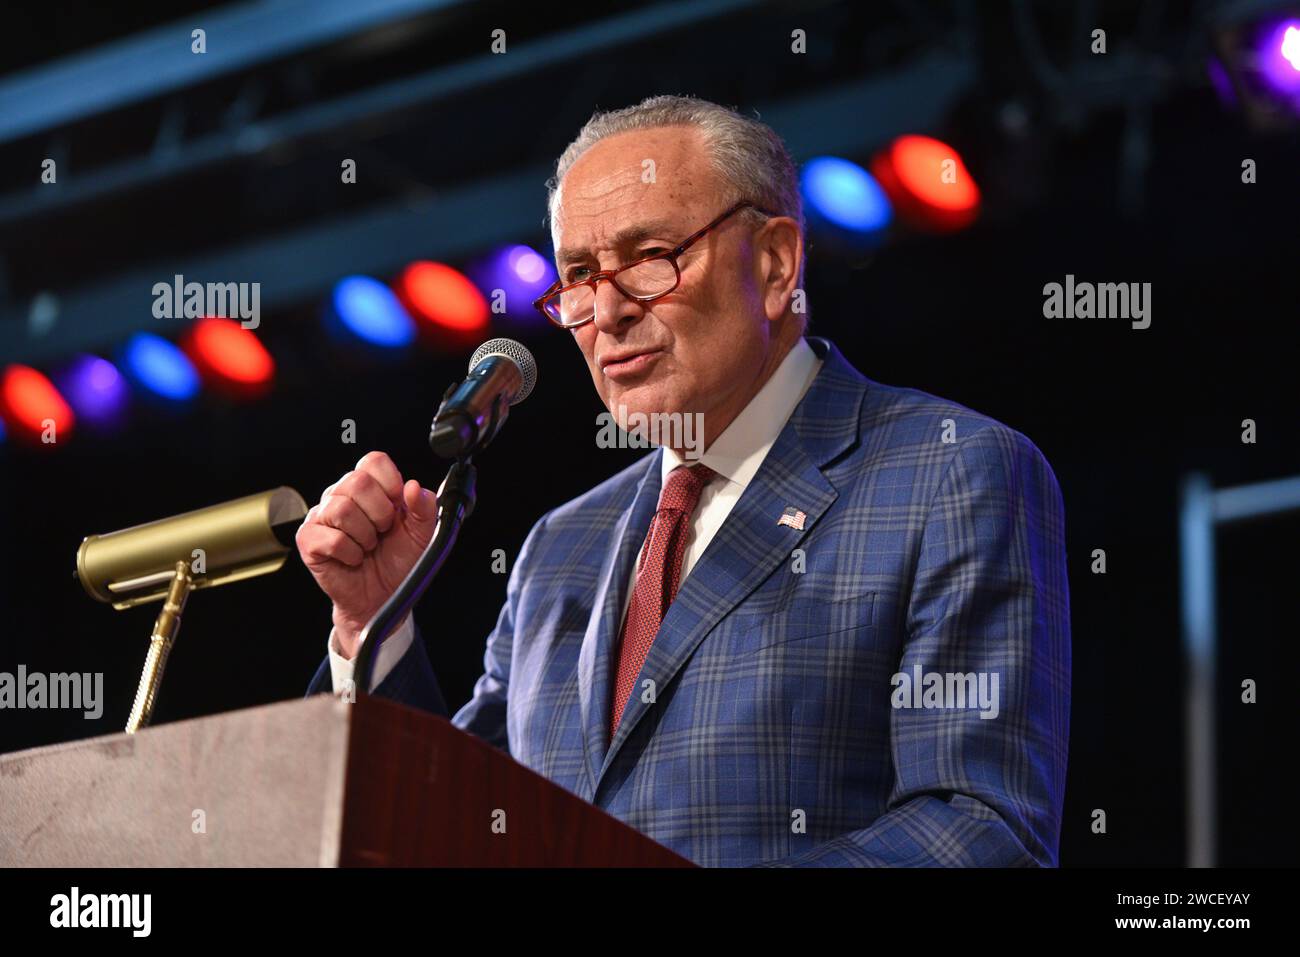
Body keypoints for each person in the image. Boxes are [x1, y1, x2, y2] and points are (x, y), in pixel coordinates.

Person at [299, 95, 1070, 867]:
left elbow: (979, 829)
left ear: (774, 263)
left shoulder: (948, 471)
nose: (605, 311)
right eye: (577, 274)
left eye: (647, 257)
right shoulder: (559, 547)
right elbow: (447, 837)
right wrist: (377, 626)